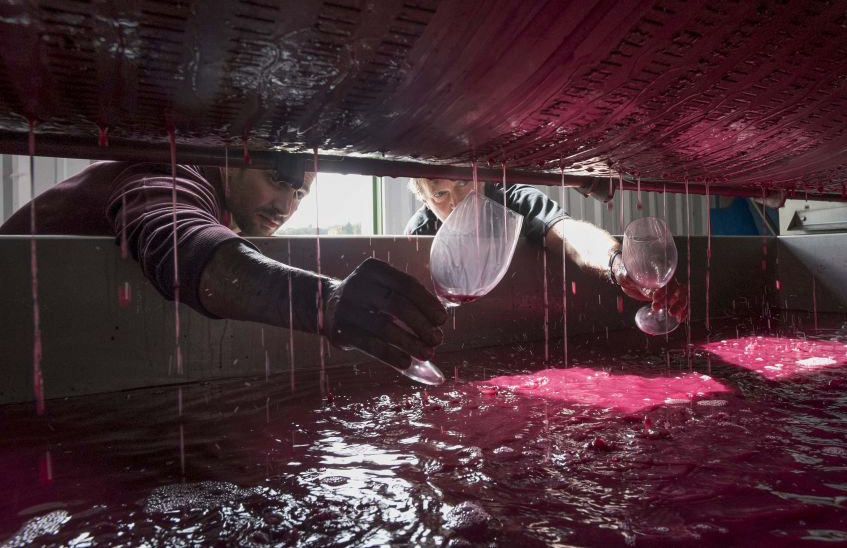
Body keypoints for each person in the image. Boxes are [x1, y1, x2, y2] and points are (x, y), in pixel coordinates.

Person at [0, 156, 446, 372]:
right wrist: (326, 301)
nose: (286, 204)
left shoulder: (221, 208)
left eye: (300, 193)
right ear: (232, 154)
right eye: (278, 179)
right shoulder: (173, 167)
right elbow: (178, 241)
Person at [405, 178, 689, 322]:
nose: (458, 201)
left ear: (481, 176)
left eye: (463, 182)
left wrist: (619, 266)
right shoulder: (421, 232)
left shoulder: (515, 201)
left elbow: (570, 235)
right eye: (440, 194)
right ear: (425, 200)